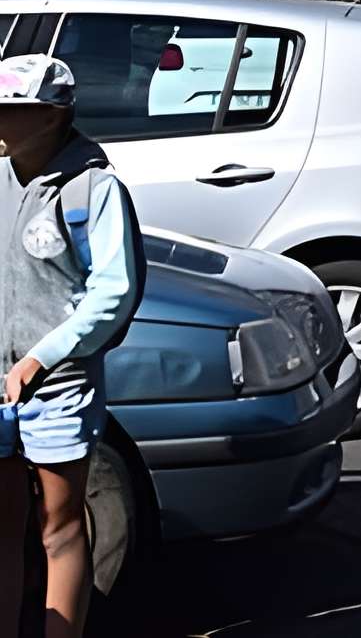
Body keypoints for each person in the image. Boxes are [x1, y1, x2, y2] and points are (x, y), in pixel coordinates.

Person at [0, 55, 141, 636]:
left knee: (58, 525)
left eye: (13, 111)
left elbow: (114, 292)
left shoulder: (95, 189)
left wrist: (41, 358)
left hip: (57, 384)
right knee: (4, 529)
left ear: (55, 115)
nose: (1, 122)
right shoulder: (2, 178)